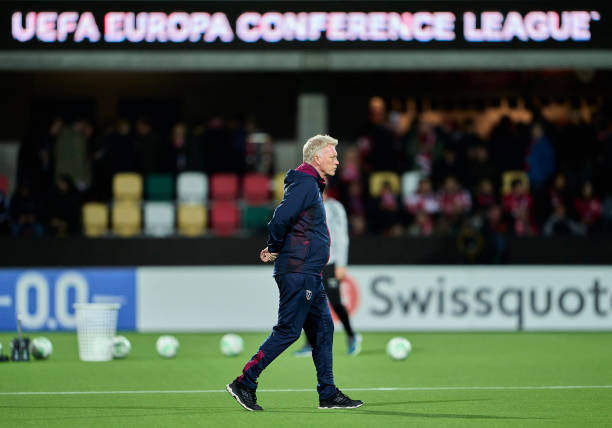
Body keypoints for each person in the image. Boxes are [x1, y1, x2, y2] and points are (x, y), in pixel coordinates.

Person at [226, 135, 363, 411]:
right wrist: (275, 247)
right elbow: (280, 218)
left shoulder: (309, 184)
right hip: (299, 269)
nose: (337, 160)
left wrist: (277, 247)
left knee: (323, 329)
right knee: (288, 330)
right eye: (333, 155)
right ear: (317, 158)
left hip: (309, 271)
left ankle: (328, 393)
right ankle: (245, 381)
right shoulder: (305, 183)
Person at [294, 189, 361, 357]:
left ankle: (352, 336)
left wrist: (341, 264)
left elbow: (342, 237)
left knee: (336, 302)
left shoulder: (334, 208)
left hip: (330, 262)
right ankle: (310, 343)